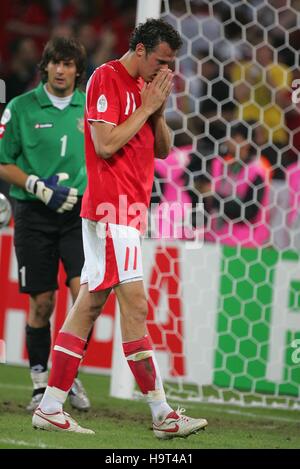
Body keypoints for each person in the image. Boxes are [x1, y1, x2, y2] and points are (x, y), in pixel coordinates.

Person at [32, 18, 208, 438]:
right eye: (161, 62)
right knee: (136, 307)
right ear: (141, 50)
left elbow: (162, 151)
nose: (166, 71)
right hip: (111, 212)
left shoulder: (149, 89)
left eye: (171, 64)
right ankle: (162, 413)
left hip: (129, 214)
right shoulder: (106, 79)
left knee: (89, 306)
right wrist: (146, 108)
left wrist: (159, 111)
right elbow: (105, 145)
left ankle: (51, 404)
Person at [0, 37, 91, 412]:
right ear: (45, 67)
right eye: (55, 62)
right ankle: (40, 381)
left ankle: (66, 377)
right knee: (42, 303)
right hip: (33, 216)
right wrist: (36, 186)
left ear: (77, 71)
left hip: (77, 215)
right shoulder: (20, 107)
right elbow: (4, 162)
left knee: (82, 297)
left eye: (68, 64)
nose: (60, 70)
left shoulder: (91, 106)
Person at [196, 123, 271, 248]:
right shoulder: (225, 166)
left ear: (246, 142)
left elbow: (249, 211)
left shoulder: (256, 171)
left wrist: (214, 197)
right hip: (218, 235)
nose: (227, 140)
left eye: (233, 136)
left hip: (245, 240)